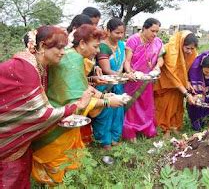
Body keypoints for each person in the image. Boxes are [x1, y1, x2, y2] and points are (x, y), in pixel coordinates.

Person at [31, 24, 124, 186]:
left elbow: (79, 86)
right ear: (82, 44)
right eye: (95, 46)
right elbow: (75, 100)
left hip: (59, 115)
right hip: (58, 119)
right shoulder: (71, 61)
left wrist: (101, 93)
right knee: (56, 163)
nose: (97, 51)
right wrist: (108, 102)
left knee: (66, 159)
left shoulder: (72, 56)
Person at [0, 26, 91, 189]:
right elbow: (40, 115)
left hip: (19, 143)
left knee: (20, 176)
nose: (64, 52)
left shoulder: (42, 66)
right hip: (6, 137)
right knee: (9, 179)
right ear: (42, 46)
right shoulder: (26, 69)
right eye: (60, 48)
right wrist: (77, 106)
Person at [123, 18, 164, 142]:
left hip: (148, 80)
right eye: (152, 31)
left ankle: (146, 129)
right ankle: (130, 131)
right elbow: (127, 61)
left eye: (157, 31)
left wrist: (157, 67)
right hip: (134, 80)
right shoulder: (133, 40)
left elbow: (160, 59)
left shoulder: (158, 42)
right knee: (133, 107)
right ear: (144, 28)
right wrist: (130, 73)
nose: (155, 34)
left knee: (146, 106)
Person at [154, 30, 198, 138]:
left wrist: (187, 81)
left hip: (180, 86)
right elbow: (171, 74)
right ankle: (164, 128)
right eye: (187, 48)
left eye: (192, 48)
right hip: (166, 82)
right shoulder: (170, 49)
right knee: (164, 106)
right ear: (181, 43)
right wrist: (187, 94)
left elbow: (190, 69)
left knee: (177, 106)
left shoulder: (192, 53)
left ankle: (174, 126)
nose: (190, 51)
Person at [92, 18, 126, 150]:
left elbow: (124, 63)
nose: (120, 36)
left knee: (118, 111)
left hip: (118, 84)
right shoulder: (102, 46)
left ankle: (115, 137)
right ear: (108, 31)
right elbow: (106, 69)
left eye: (122, 33)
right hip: (104, 85)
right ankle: (104, 141)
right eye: (117, 32)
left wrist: (127, 73)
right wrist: (122, 75)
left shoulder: (122, 45)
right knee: (105, 113)